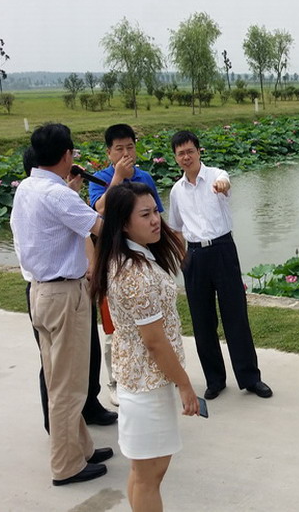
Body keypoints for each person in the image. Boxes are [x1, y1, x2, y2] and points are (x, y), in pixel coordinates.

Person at [10, 123, 112, 486]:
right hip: (64, 295)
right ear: (67, 155)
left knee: (59, 381)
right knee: (70, 386)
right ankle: (66, 466)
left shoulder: (27, 188)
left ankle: (81, 448)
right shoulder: (58, 196)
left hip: (39, 293)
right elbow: (102, 228)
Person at [91, 182, 200, 511]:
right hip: (146, 385)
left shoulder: (133, 256)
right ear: (124, 223)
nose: (155, 220)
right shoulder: (135, 274)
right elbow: (154, 342)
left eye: (155, 211)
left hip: (143, 380)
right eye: (145, 214)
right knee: (149, 475)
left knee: (143, 473)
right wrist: (185, 385)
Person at [168, 130, 272, 400]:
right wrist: (181, 259)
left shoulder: (216, 175)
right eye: (181, 153)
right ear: (175, 157)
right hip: (194, 256)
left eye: (190, 151)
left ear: (198, 151)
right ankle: (215, 380)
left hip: (222, 249)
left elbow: (225, 182)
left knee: (235, 315)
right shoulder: (177, 191)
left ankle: (250, 378)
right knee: (202, 321)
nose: (186, 157)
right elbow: (176, 228)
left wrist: (223, 186)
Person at [89, 123, 165, 407]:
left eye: (130, 147)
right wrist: (118, 177)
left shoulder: (145, 177)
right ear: (108, 152)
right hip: (114, 260)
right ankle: (115, 381)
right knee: (115, 324)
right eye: (118, 149)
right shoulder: (100, 179)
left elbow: (157, 215)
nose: (125, 153)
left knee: (152, 318)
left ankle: (157, 369)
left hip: (145, 257)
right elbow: (100, 209)